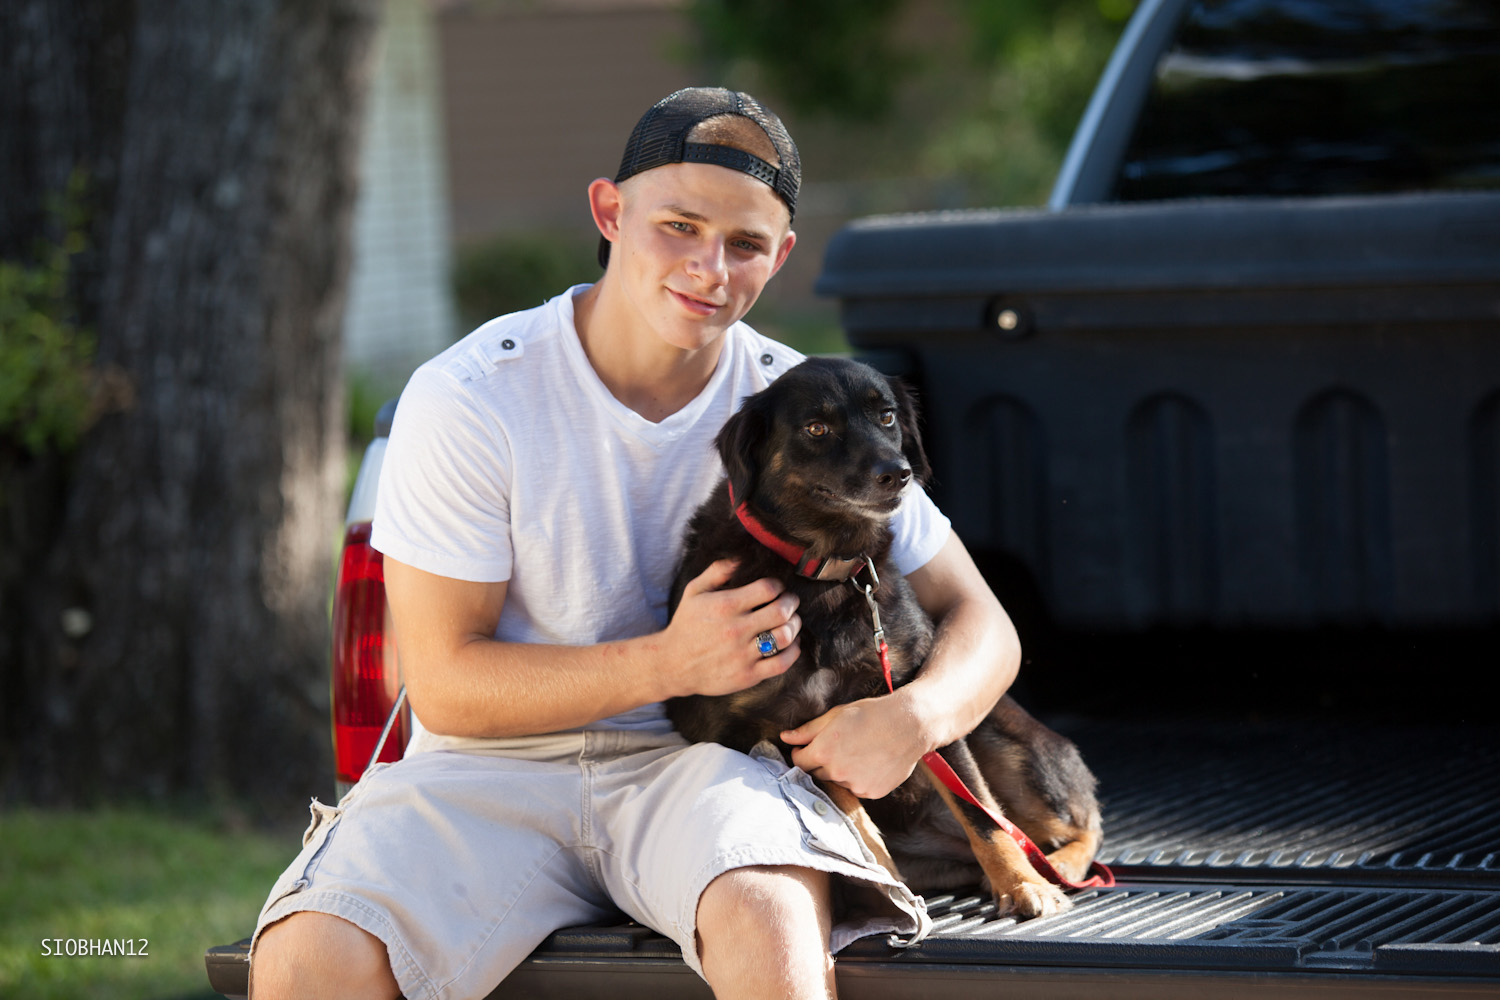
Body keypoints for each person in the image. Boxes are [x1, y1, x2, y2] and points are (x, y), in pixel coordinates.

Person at [249, 87, 1021, 1000]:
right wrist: (671, 662)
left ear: (781, 255)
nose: (709, 268)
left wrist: (912, 720)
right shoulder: (471, 395)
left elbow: (982, 621)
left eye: (743, 244)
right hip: (487, 776)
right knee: (308, 953)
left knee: (769, 912)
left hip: (711, 769)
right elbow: (447, 687)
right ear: (610, 213)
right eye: (679, 226)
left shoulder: (801, 403)